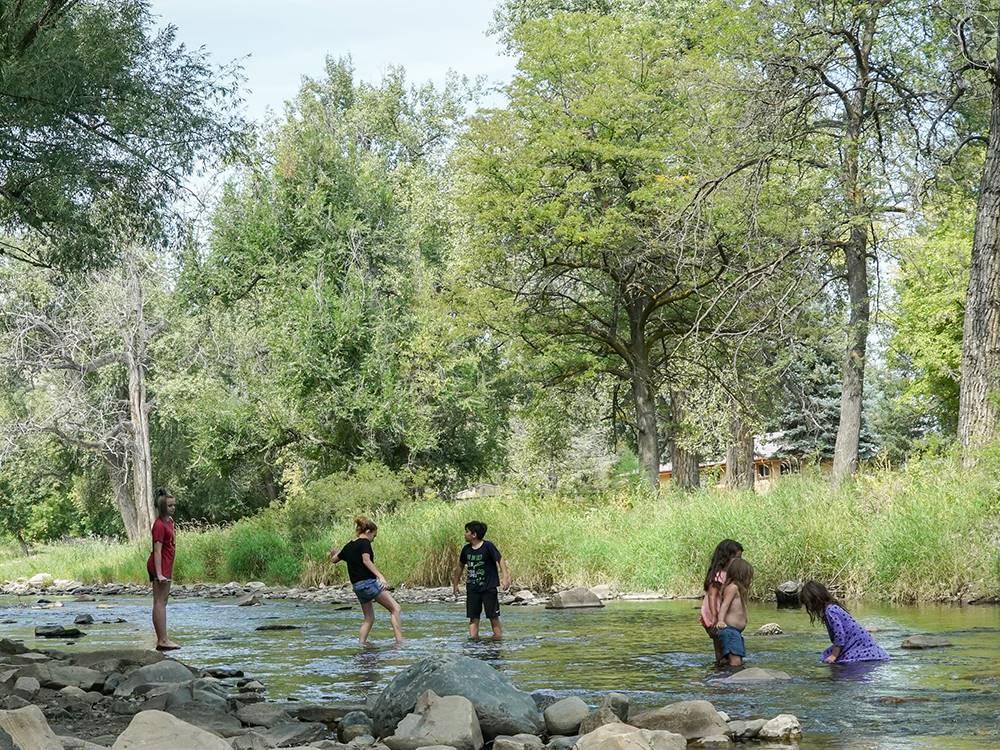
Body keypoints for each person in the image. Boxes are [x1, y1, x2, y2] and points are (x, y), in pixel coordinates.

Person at [330, 515, 403, 645]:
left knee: (369, 618)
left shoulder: (349, 546)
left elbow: (334, 560)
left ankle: (361, 644)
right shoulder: (365, 543)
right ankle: (399, 642)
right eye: (374, 536)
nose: (373, 540)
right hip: (368, 583)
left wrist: (334, 553)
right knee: (395, 608)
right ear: (368, 532)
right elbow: (366, 560)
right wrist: (381, 577)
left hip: (357, 587)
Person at [800, 580, 889, 663]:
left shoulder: (830, 611)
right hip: (857, 643)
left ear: (816, 599)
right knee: (824, 657)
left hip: (859, 647)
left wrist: (834, 656)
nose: (809, 608)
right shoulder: (831, 608)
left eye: (808, 604)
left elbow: (839, 634)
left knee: (833, 662)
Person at [451, 520, 510, 639]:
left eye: (466, 531)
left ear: (474, 534)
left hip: (489, 588)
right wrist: (455, 583)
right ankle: (473, 641)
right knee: (473, 617)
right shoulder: (466, 549)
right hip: (473, 589)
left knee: (493, 616)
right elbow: (460, 566)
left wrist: (505, 577)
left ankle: (497, 640)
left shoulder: (488, 546)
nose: (464, 534)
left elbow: (500, 559)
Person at [700, 539, 743, 663]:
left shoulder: (724, 574)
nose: (739, 562)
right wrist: (715, 617)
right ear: (726, 557)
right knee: (722, 643)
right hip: (714, 614)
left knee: (720, 646)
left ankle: (720, 668)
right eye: (737, 558)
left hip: (718, 615)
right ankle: (726, 666)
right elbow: (712, 596)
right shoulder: (719, 575)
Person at [146, 488, 180, 651]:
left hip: (166, 564)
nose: (173, 508)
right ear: (162, 507)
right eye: (170, 506)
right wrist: (159, 574)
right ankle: (162, 640)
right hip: (159, 565)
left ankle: (164, 638)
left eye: (174, 505)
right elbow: (157, 550)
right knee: (159, 602)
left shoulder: (170, 521)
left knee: (163, 602)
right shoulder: (159, 525)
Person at [714, 557, 753, 667]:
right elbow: (724, 605)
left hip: (735, 632)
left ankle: (723, 674)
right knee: (735, 663)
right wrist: (720, 620)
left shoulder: (738, 589)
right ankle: (731, 682)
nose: (750, 580)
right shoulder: (733, 588)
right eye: (748, 577)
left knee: (733, 661)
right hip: (730, 631)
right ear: (741, 575)